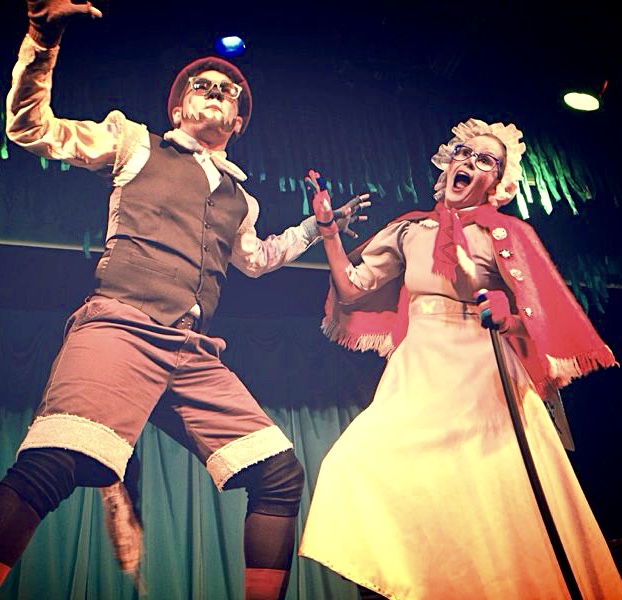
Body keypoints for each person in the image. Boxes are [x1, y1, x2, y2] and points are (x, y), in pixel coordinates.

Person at [0, 1, 369, 598]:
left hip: (190, 351)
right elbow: (31, 129)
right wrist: (42, 40)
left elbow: (255, 260)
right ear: (177, 110)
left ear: (238, 123)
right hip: (120, 326)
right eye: (203, 85)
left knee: (280, 477)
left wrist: (317, 228)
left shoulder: (241, 200)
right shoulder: (134, 144)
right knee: (52, 463)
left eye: (229, 91)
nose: (217, 91)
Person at [298, 118, 622, 599]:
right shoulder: (410, 230)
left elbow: (534, 313)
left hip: (481, 373)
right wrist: (328, 230)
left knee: (486, 501)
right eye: (463, 153)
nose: (469, 161)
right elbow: (351, 288)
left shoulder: (505, 233)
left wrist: (507, 313)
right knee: (354, 464)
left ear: (497, 183)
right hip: (418, 370)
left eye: (485, 159)